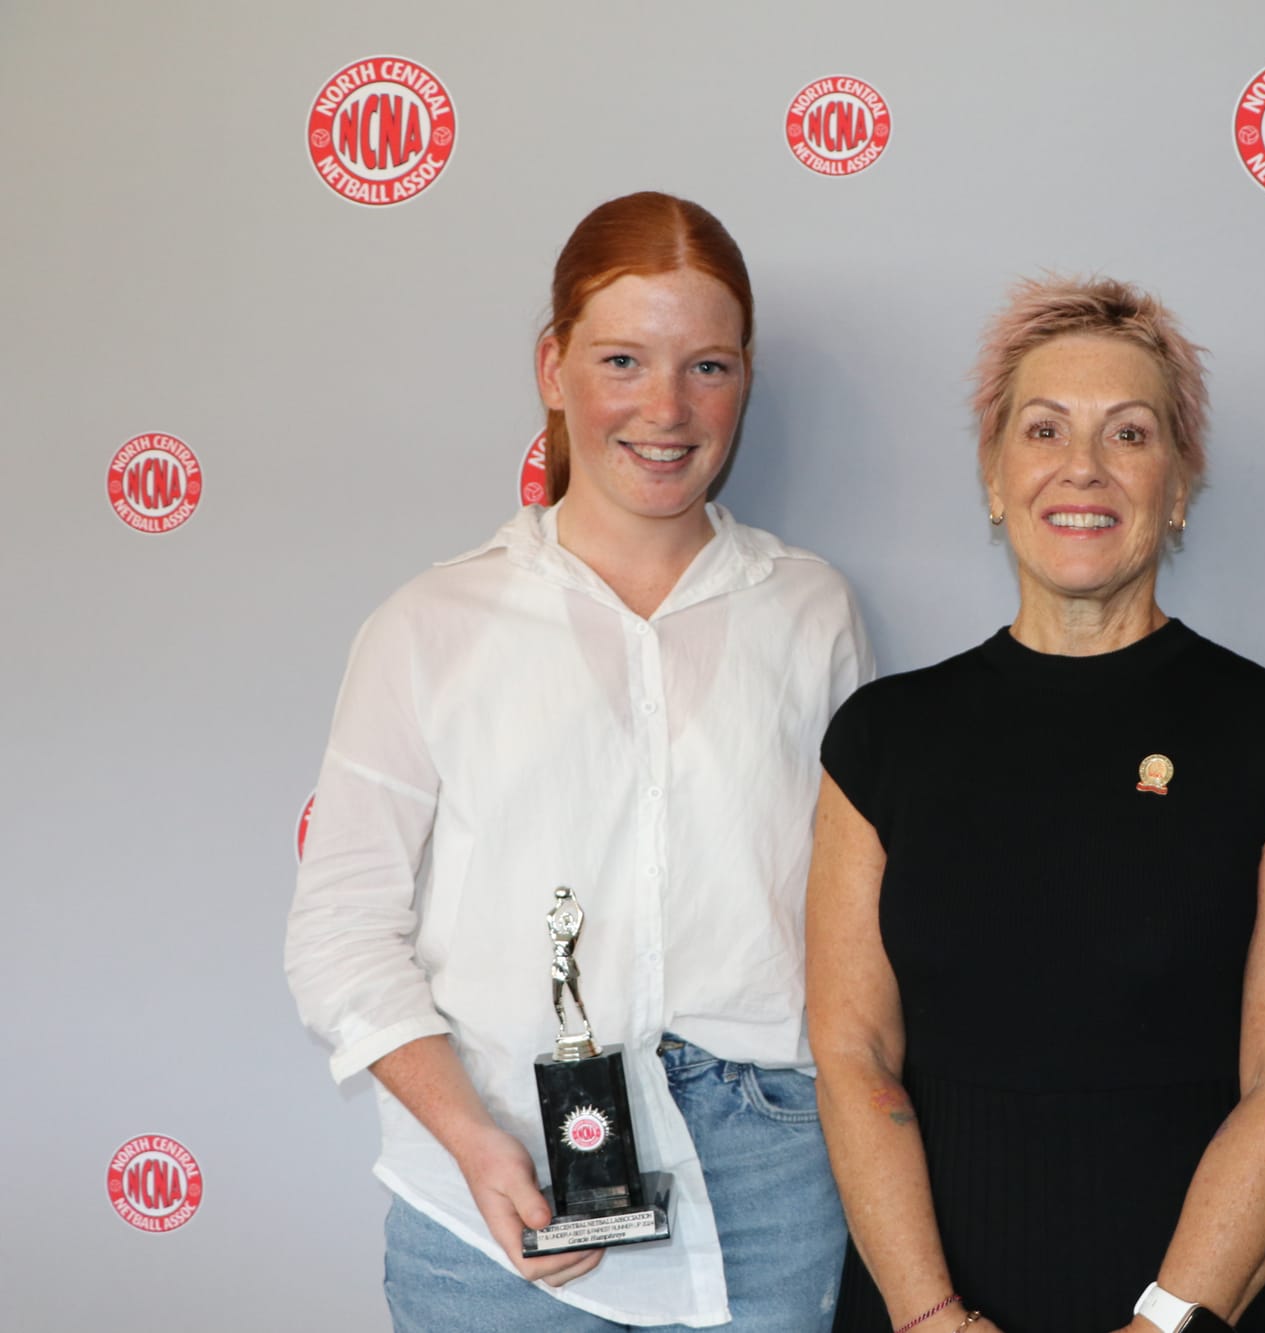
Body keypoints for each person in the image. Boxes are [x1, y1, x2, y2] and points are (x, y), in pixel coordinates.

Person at [285, 191, 872, 1332]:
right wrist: (471, 1139)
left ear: (745, 379)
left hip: (770, 1198)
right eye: (621, 359)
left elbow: (853, 921)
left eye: (707, 366)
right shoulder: (430, 623)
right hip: (491, 1194)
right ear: (552, 368)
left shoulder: (812, 611)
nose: (665, 407)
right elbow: (339, 930)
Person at [808, 276, 1265, 1333]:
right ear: (991, 476)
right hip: (929, 1296)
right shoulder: (880, 740)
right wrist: (926, 1316)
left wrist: (1163, 1321)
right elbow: (853, 1057)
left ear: (1180, 485)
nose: (1082, 468)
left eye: (1128, 433)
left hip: (1202, 1298)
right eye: (1043, 429)